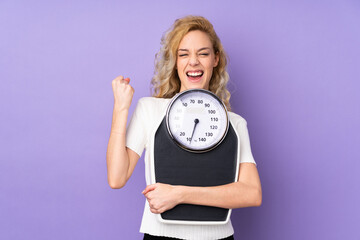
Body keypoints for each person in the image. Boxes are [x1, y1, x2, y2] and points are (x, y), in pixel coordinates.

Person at [107, 16, 262, 240]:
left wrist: (178, 194)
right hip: (160, 236)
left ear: (215, 59)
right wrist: (120, 109)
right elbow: (116, 178)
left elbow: (252, 193)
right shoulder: (150, 109)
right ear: (175, 61)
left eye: (203, 53)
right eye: (184, 54)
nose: (193, 62)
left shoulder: (234, 123)